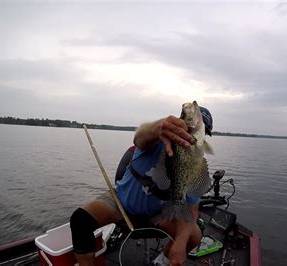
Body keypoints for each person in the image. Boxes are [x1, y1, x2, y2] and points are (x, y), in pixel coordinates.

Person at [70, 107, 213, 266]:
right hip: (121, 203)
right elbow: (140, 137)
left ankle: (162, 261)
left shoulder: (196, 164)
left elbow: (192, 209)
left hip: (158, 213)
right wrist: (159, 127)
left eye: (202, 131)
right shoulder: (155, 140)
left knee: (193, 236)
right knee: (80, 220)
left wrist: (180, 243)